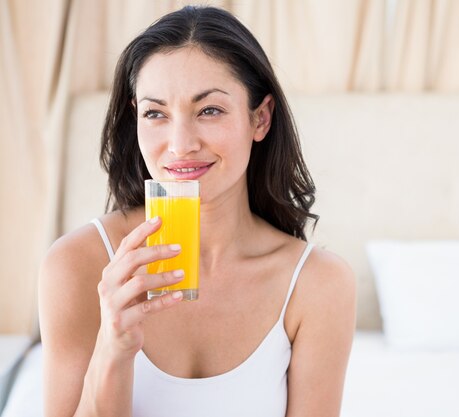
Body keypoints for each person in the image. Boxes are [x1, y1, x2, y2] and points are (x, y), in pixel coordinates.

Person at [38, 6, 355, 417]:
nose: (180, 143)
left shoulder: (318, 285)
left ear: (260, 118)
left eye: (209, 110)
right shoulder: (76, 266)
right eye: (156, 113)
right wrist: (112, 350)